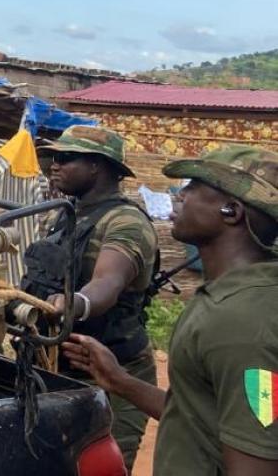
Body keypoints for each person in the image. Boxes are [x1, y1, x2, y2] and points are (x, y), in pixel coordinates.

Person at [63, 146, 278, 476]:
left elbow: (256, 463)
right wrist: (122, 382)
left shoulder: (243, 324)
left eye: (193, 187)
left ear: (230, 211)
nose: (179, 196)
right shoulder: (227, 297)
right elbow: (200, 417)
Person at [29, 125, 158, 471]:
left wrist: (75, 305)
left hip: (114, 376)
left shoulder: (126, 222)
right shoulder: (67, 214)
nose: (54, 165)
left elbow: (108, 281)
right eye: (53, 157)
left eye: (66, 158)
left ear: (98, 166)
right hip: (61, 370)